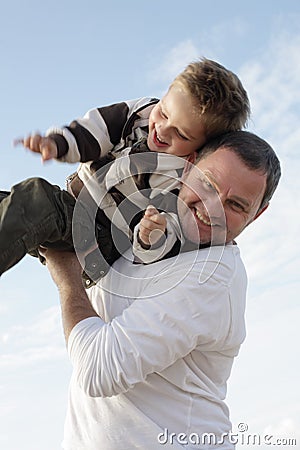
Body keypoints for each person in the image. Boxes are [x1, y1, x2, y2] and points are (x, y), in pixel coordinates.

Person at [40, 130, 281, 450]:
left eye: (235, 205)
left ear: (258, 215)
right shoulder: (142, 226)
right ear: (188, 166)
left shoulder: (211, 274)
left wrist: (66, 278)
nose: (213, 209)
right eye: (208, 184)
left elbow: (98, 369)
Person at [0, 58, 250, 286]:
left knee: (36, 198)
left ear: (201, 148)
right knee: (11, 204)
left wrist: (152, 234)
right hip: (72, 204)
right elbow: (95, 130)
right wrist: (57, 143)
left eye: (181, 134)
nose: (162, 130)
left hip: (101, 240)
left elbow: (175, 235)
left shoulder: (184, 179)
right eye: (163, 113)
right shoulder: (141, 113)